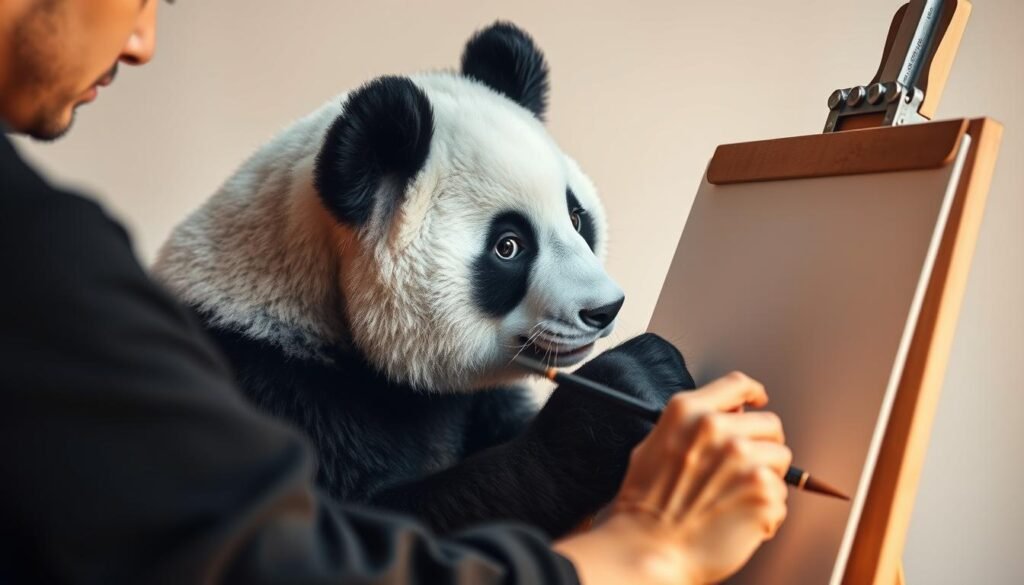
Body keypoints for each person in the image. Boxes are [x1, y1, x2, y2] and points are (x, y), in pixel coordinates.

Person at [0, 1, 792, 583]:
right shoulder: (45, 269)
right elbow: (302, 563)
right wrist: (634, 538)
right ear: (369, 193)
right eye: (509, 245)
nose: (142, 40)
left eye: (575, 222)